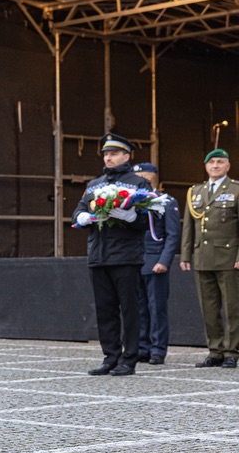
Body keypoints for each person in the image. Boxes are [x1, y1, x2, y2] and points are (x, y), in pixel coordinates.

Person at [73, 133, 151, 376]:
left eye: (114, 153)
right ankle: (110, 357)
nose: (108, 157)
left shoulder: (139, 183)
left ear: (126, 156)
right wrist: (81, 218)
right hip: (98, 255)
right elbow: (79, 210)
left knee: (129, 310)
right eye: (106, 154)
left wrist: (131, 217)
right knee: (105, 310)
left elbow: (149, 220)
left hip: (126, 255)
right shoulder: (94, 185)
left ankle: (129, 359)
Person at [181, 148, 239, 368]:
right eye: (211, 162)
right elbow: (188, 227)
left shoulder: (235, 189)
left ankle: (232, 351)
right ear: (205, 166)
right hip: (202, 256)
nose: (215, 165)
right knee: (209, 307)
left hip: (228, 256)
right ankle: (215, 350)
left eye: (220, 162)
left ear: (227, 166)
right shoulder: (195, 191)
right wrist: (186, 254)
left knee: (233, 308)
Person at [132, 163, 180, 365]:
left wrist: (164, 261)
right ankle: (142, 347)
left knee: (156, 308)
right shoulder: (131, 201)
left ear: (151, 179)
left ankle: (158, 349)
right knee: (139, 308)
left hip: (155, 261)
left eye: (143, 178)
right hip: (135, 261)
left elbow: (172, 235)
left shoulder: (166, 201)